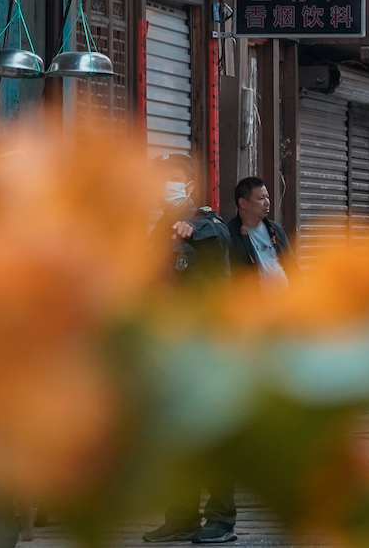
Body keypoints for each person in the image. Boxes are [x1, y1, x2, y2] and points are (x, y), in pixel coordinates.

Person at [143, 168, 238, 544]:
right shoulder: (160, 228)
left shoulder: (206, 224)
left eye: (172, 177)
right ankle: (180, 517)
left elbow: (216, 235)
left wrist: (189, 230)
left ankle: (221, 520)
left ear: (190, 186)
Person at [226, 176, 291, 287]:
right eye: (261, 198)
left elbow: (291, 265)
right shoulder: (230, 233)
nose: (267, 202)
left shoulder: (275, 229)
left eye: (267, 197)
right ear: (243, 203)